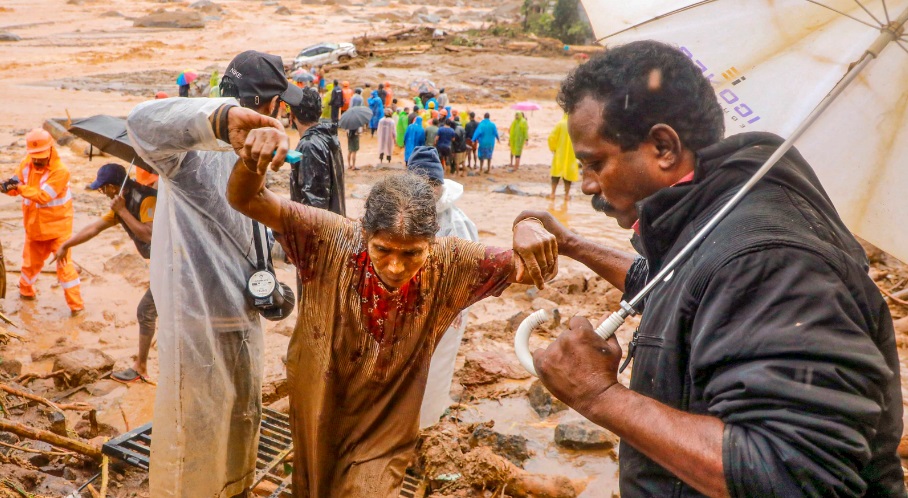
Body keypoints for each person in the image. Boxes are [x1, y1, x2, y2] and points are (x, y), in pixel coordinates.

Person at [518, 40, 906, 497]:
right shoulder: (718, 223)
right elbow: (675, 286)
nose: (586, 185)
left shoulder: (768, 260)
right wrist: (572, 244)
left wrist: (599, 396)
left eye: (595, 163)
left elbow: (793, 474)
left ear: (663, 146)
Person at [225, 124, 558, 497]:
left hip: (388, 419)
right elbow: (246, 199)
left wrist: (529, 223)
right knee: (312, 485)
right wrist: (252, 161)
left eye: (411, 253)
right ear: (364, 233)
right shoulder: (327, 237)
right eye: (383, 250)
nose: (396, 267)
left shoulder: (451, 262)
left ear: (431, 243)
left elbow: (532, 268)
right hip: (320, 397)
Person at [126, 50, 304, 498]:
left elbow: (247, 228)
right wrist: (221, 121)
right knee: (192, 436)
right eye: (282, 104)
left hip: (241, 314)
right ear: (270, 106)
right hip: (196, 320)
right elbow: (141, 123)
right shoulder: (188, 155)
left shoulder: (257, 155)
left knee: (241, 421)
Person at [53, 164, 158, 382]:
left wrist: (122, 212)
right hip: (162, 264)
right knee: (155, 312)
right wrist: (66, 245)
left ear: (113, 187)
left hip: (176, 263)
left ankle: (142, 368)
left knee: (145, 311)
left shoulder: (146, 199)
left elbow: (148, 234)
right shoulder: (122, 204)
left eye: (103, 189)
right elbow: (94, 228)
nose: (103, 193)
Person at [403, 148, 480, 428]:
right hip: (406, 311)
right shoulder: (402, 213)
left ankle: (424, 429)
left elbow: (470, 275)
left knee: (433, 374)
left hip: (444, 314)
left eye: (431, 186)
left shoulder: (457, 224)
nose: (426, 191)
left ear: (439, 186)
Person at [2, 128, 82, 316]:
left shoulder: (61, 171)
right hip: (34, 228)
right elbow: (17, 184)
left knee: (65, 270)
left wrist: (19, 188)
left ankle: (76, 307)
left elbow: (44, 196)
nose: (37, 160)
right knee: (28, 266)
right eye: (34, 156)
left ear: (51, 151)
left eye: (41, 157)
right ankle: (26, 294)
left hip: (58, 231)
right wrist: (7, 187)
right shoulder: (26, 164)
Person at [289, 86, 346, 216]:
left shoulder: (310, 145)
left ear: (292, 115)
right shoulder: (327, 137)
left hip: (321, 233)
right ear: (319, 112)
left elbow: (313, 207)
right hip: (334, 228)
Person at [547, 114, 578, 200]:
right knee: (568, 177)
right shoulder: (574, 126)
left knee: (555, 175)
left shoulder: (560, 124)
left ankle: (552, 194)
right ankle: (566, 195)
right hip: (571, 156)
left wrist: (553, 148)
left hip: (559, 154)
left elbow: (551, 138)